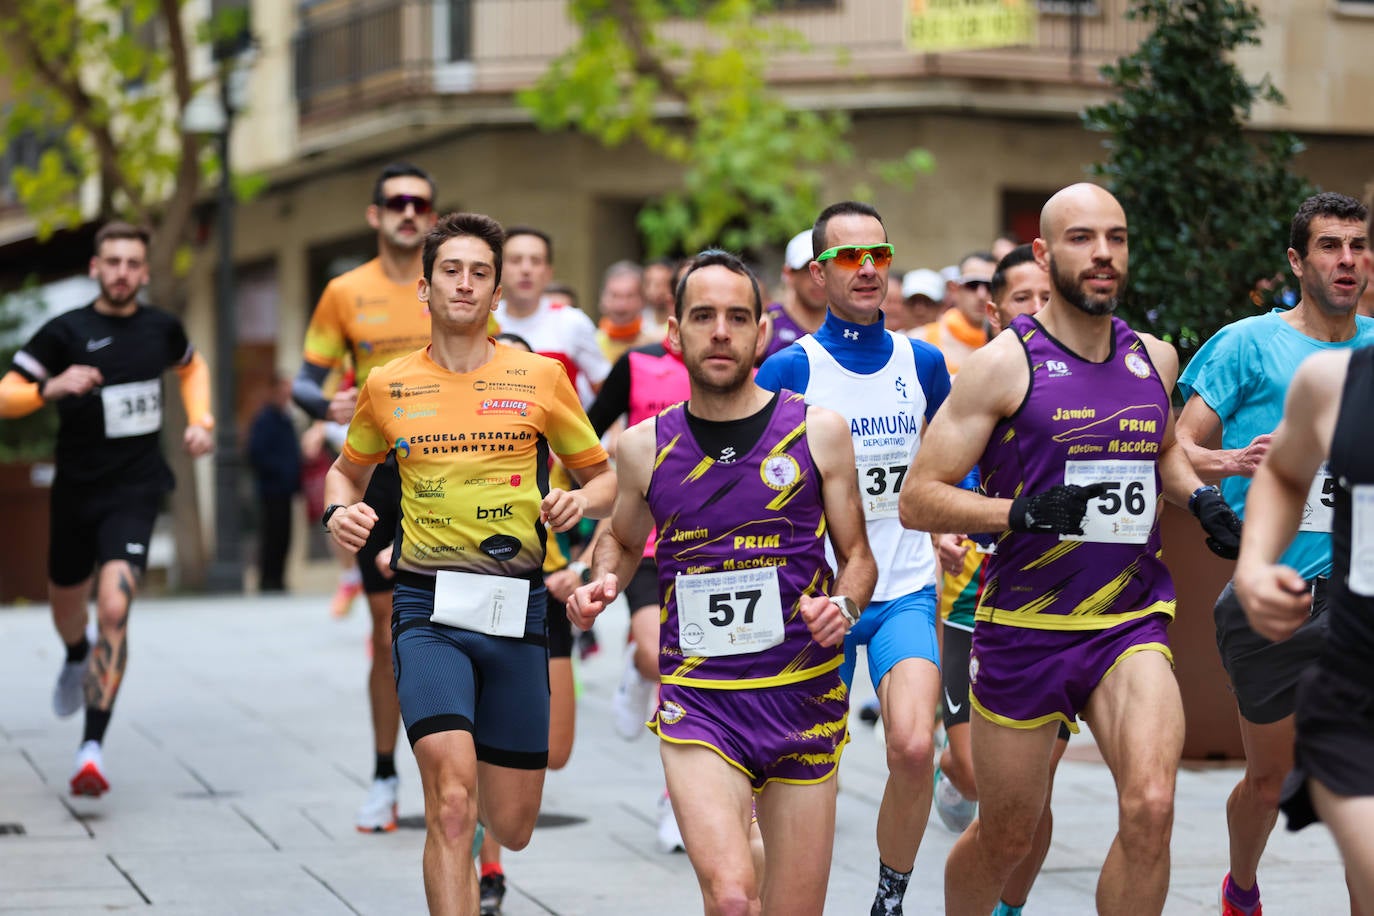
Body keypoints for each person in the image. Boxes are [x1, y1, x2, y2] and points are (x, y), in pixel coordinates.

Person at [901, 182, 1243, 916]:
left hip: (1130, 622)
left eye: (1115, 238)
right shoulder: (1002, 366)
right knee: (1009, 838)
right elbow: (919, 496)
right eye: (1083, 238)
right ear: (1043, 252)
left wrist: (1203, 500)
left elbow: (1158, 454)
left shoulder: (1154, 357)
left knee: (1151, 807)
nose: (1103, 254)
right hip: (1026, 631)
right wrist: (1018, 511)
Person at [566, 249, 877, 915]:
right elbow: (621, 539)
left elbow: (858, 556)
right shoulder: (645, 446)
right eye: (702, 316)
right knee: (733, 898)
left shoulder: (817, 432)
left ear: (761, 333)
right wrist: (602, 582)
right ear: (674, 333)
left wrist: (846, 606)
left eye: (738, 317)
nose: (720, 331)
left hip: (801, 699)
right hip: (701, 704)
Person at [325, 211, 614, 916]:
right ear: (424, 290)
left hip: (516, 612)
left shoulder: (541, 378)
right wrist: (341, 513)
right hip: (427, 610)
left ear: (495, 291)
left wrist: (579, 501)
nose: (465, 283)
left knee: (510, 824)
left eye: (479, 272)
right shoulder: (388, 385)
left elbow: (603, 477)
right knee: (452, 803)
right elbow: (344, 474)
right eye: (450, 271)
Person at [1174, 190, 1372, 916]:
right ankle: (1241, 887)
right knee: (1270, 780)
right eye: (1329, 245)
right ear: (1297, 259)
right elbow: (1174, 450)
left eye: (1357, 245)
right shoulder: (1247, 344)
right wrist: (1230, 463)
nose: (1346, 260)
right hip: (1277, 600)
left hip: (1363, 606)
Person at [755, 201, 951, 916]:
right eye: (849, 257)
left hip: (903, 588)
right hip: (817, 602)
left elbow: (951, 461)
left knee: (909, 748)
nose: (867, 269)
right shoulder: (788, 367)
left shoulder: (923, 362)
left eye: (879, 254)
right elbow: (756, 478)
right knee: (810, 767)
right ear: (818, 272)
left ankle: (889, 897)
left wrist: (956, 515)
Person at [0, 221, 215, 797]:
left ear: (145, 273)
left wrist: (201, 420)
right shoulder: (64, 332)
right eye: (112, 262)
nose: (122, 272)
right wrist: (51, 387)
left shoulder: (161, 328)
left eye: (132, 264)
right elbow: (7, 393)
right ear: (96, 268)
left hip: (136, 490)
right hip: (76, 491)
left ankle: (91, 748)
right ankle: (75, 654)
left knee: (115, 607)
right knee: (67, 605)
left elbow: (192, 367)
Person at [292, 161, 440, 832]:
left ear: (433, 216)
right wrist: (329, 402)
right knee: (388, 636)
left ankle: (456, 770)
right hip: (378, 474)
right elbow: (304, 382)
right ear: (374, 215)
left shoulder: (450, 284)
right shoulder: (344, 292)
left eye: (420, 202)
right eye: (396, 202)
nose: (408, 211)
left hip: (453, 467)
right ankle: (385, 774)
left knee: (463, 624)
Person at [930, 244, 1065, 916]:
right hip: (969, 606)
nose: (1039, 312)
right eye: (1023, 300)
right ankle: (945, 768)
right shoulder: (976, 380)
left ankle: (1009, 908)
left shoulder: (1081, 383)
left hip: (1056, 611)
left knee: (1031, 793)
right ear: (994, 307)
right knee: (976, 776)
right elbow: (924, 487)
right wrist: (939, 529)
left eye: (1047, 297)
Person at [1232, 342, 1374, 915]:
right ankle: (1240, 885)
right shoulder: (1335, 382)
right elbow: (1286, 475)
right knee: (1268, 781)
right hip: (1357, 692)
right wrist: (1254, 567)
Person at [584, 307, 693, 853]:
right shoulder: (636, 365)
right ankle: (634, 665)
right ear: (676, 323)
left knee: (690, 672)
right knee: (655, 658)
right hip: (648, 539)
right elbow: (585, 428)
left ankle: (675, 798)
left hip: (708, 543)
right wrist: (601, 474)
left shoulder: (744, 369)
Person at [494, 226, 610, 407]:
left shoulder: (571, 321)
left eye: (536, 261)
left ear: (548, 272)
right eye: (516, 260)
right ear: (499, 268)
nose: (526, 269)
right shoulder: (483, 320)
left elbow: (607, 391)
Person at [247, 372, 301, 593]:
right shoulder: (265, 420)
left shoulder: (285, 418)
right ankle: (268, 579)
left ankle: (277, 578)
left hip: (285, 489)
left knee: (284, 535)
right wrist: (280, 472)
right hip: (271, 489)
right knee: (272, 534)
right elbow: (256, 453)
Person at [913, 251, 996, 375]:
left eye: (990, 286)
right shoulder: (920, 340)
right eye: (972, 285)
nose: (981, 295)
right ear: (955, 289)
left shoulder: (1008, 344)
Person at [759, 230, 827, 362]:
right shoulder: (767, 325)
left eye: (824, 269)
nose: (817, 278)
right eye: (808, 269)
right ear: (788, 274)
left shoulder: (848, 329)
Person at [595, 260, 656, 363]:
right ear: (602, 300)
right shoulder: (591, 344)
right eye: (614, 296)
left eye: (630, 296)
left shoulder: (655, 344)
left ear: (643, 300)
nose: (621, 305)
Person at [898, 268, 945, 332]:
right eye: (913, 301)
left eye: (928, 302)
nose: (920, 311)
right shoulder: (892, 341)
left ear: (941, 307)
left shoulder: (952, 341)